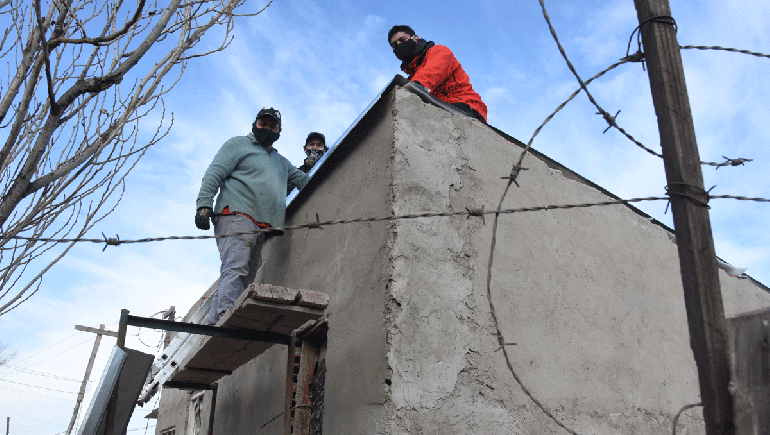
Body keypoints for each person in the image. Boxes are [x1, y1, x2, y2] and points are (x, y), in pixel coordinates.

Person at [195, 107, 314, 325]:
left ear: (279, 131)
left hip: (263, 225)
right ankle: (224, 317)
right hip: (236, 215)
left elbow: (304, 180)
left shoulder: (281, 162)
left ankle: (218, 320)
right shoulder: (238, 144)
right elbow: (215, 172)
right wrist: (204, 204)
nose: (267, 128)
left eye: (272, 126)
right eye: (263, 123)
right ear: (255, 124)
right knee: (236, 267)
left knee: (248, 274)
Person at [387, 25, 488, 123]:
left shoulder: (439, 51)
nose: (399, 45)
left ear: (415, 38)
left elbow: (427, 77)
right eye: (395, 45)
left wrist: (402, 93)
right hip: (443, 110)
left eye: (403, 40)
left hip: (468, 109)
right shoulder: (412, 76)